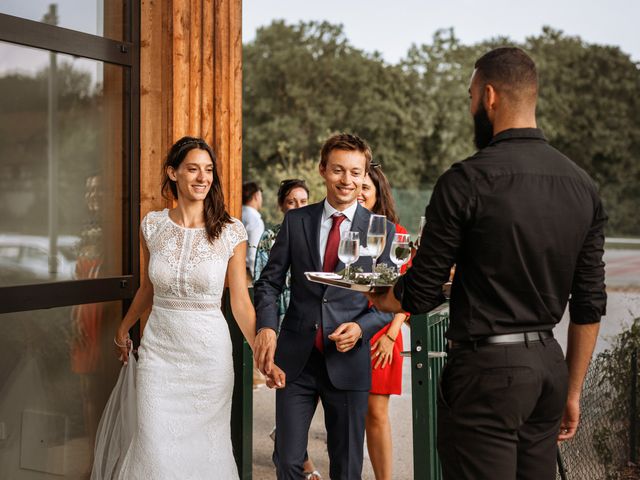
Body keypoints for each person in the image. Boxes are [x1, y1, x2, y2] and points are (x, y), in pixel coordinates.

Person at [368, 47, 607, 479]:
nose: (471, 106)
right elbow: (590, 303)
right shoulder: (583, 186)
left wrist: (380, 296)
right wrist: (572, 391)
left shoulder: (465, 181)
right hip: (548, 372)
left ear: (490, 97)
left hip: (486, 375)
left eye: (471, 95)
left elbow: (420, 291)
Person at [112, 137, 285, 479]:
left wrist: (264, 357)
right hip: (158, 357)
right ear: (172, 173)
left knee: (206, 454)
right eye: (193, 169)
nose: (202, 177)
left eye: (208, 170)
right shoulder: (153, 225)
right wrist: (125, 325)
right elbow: (149, 287)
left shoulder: (230, 231)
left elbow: (240, 302)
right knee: (153, 448)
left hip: (208, 361)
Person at [253, 133, 396, 479]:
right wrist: (267, 327)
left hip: (348, 361)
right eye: (338, 170)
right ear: (322, 170)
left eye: (355, 172)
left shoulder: (381, 231)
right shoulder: (296, 221)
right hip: (296, 361)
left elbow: (390, 301)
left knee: (346, 468)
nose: (347, 180)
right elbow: (269, 283)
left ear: (365, 175)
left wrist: (362, 327)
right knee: (287, 460)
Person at [254, 179, 322, 480]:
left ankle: (286, 445)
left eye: (303, 201)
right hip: (281, 325)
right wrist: (269, 328)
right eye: (292, 201)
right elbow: (264, 280)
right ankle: (296, 458)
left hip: (308, 325)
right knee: (291, 397)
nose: (297, 206)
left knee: (307, 400)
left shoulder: (317, 233)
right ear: (282, 204)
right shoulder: (270, 238)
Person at [357, 164, 408, 480]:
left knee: (376, 414)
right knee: (348, 415)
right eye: (356, 185)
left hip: (383, 333)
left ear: (378, 194)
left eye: (365, 187)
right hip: (344, 329)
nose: (359, 192)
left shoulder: (396, 234)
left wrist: (391, 334)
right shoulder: (343, 231)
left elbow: (408, 289)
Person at [242, 181, 265, 280]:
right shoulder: (255, 220)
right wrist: (257, 279)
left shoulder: (238, 213)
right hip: (247, 275)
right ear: (256, 196)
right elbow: (253, 253)